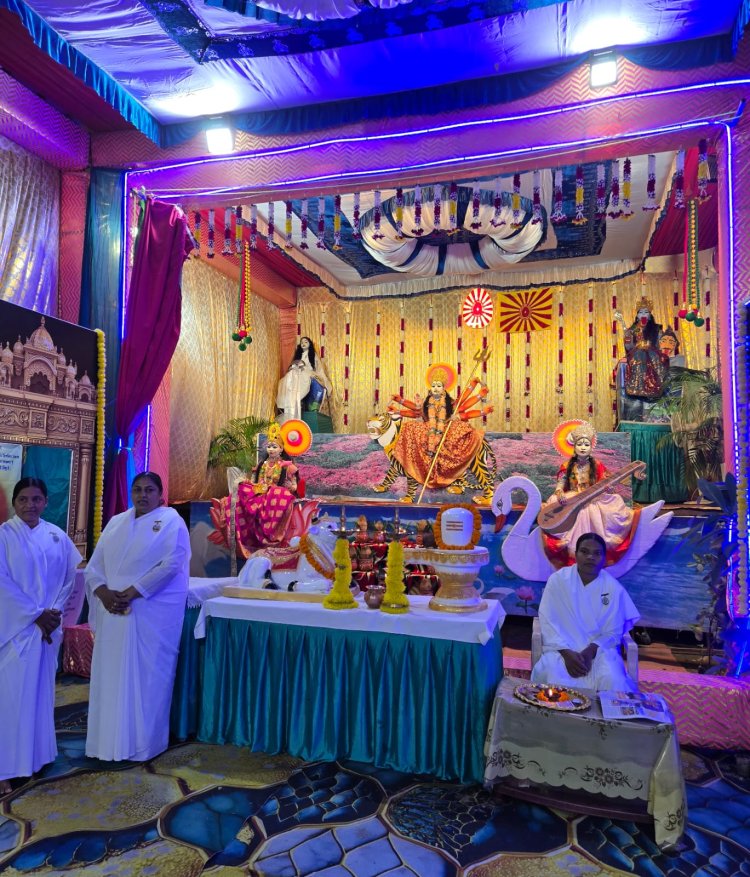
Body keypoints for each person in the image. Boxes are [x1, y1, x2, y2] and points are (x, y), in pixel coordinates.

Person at [85, 471, 190, 762]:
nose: (143, 495)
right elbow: (94, 566)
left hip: (148, 615)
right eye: (138, 489)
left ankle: (144, 745)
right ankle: (105, 743)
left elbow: (172, 564)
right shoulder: (116, 522)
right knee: (110, 677)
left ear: (160, 494)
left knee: (148, 679)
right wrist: (104, 593)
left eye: (149, 490)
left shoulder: (172, 521)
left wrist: (133, 592)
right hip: (113, 612)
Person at [0, 478, 79, 794]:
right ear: (14, 503)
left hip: (47, 632)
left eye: (36, 499)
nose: (30, 505)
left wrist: (53, 613)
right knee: (11, 699)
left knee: (40, 695)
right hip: (16, 631)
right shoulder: (4, 536)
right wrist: (35, 614)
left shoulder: (57, 536)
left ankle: (35, 757)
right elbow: (2, 583)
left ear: (46, 502)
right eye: (23, 499)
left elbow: (69, 578)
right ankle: (6, 767)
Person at [532, 532, 640, 692]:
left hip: (600, 651)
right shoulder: (558, 580)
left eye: (597, 553)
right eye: (584, 551)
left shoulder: (613, 588)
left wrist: (590, 652)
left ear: (604, 558)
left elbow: (613, 632)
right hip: (560, 649)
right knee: (554, 679)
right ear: (575, 554)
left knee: (613, 680)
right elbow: (548, 621)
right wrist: (566, 653)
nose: (590, 557)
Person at [543, 420, 637, 564]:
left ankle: (598, 549)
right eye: (580, 444)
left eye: (586, 445)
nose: (583, 447)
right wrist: (559, 492)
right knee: (556, 503)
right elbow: (560, 484)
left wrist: (609, 489)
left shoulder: (597, 464)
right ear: (574, 447)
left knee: (615, 500)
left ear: (591, 447)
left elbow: (606, 484)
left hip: (594, 497)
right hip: (574, 498)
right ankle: (569, 544)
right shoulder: (567, 465)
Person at [220, 422, 301, 554]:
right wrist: (248, 482)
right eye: (269, 446)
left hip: (274, 493)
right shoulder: (262, 464)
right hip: (260, 490)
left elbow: (294, 486)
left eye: (274, 447)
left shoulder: (287, 466)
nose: (271, 449)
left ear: (281, 449)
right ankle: (244, 531)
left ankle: (268, 533)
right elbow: (254, 481)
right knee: (242, 487)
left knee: (279, 492)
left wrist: (291, 486)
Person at [619, 296, 669, 400]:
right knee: (639, 354)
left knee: (655, 358)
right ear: (637, 316)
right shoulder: (632, 329)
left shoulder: (656, 329)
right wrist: (627, 338)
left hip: (653, 352)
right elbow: (629, 347)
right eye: (640, 312)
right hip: (636, 353)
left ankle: (656, 388)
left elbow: (661, 345)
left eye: (646, 312)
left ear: (650, 315)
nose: (643, 314)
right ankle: (637, 388)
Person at [276, 336, 332, 423]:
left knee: (305, 377)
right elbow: (293, 365)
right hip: (297, 372)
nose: (303, 344)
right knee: (284, 380)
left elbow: (318, 369)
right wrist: (293, 367)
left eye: (306, 342)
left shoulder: (313, 355)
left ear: (310, 344)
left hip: (307, 372)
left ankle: (299, 397)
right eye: (302, 342)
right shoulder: (298, 355)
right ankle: (287, 402)